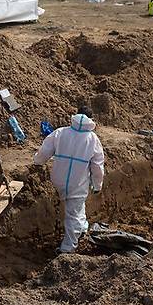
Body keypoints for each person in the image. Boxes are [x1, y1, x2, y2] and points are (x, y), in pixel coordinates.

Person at [33, 106, 105, 253]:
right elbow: (97, 166)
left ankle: (83, 227)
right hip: (77, 183)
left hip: (58, 179)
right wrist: (97, 185)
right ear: (91, 119)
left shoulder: (60, 132)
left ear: (76, 115)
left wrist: (37, 162)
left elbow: (44, 152)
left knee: (77, 208)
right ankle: (68, 249)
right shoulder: (92, 139)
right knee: (73, 214)